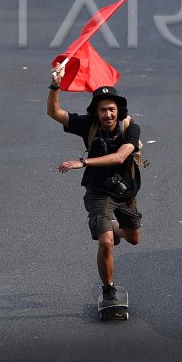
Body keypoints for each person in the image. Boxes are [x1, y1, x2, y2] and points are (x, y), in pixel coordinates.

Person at [49, 79, 143, 306]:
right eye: (103, 110)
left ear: (118, 110)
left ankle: (111, 227)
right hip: (98, 191)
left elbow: (121, 157)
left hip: (125, 192)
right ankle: (108, 288)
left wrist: (84, 161)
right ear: (96, 112)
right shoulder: (88, 124)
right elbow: (55, 112)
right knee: (105, 243)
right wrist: (55, 86)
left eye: (112, 109)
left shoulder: (130, 127)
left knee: (133, 238)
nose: (108, 114)